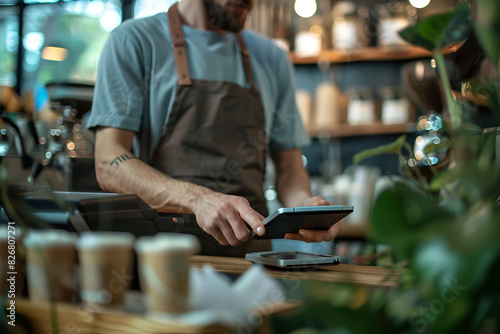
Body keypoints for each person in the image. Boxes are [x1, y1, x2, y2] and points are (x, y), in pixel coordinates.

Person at [86, 0, 342, 256]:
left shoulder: (272, 58)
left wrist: (303, 207)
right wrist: (198, 200)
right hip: (163, 258)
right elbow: (109, 162)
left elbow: (289, 168)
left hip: (252, 260)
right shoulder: (134, 41)